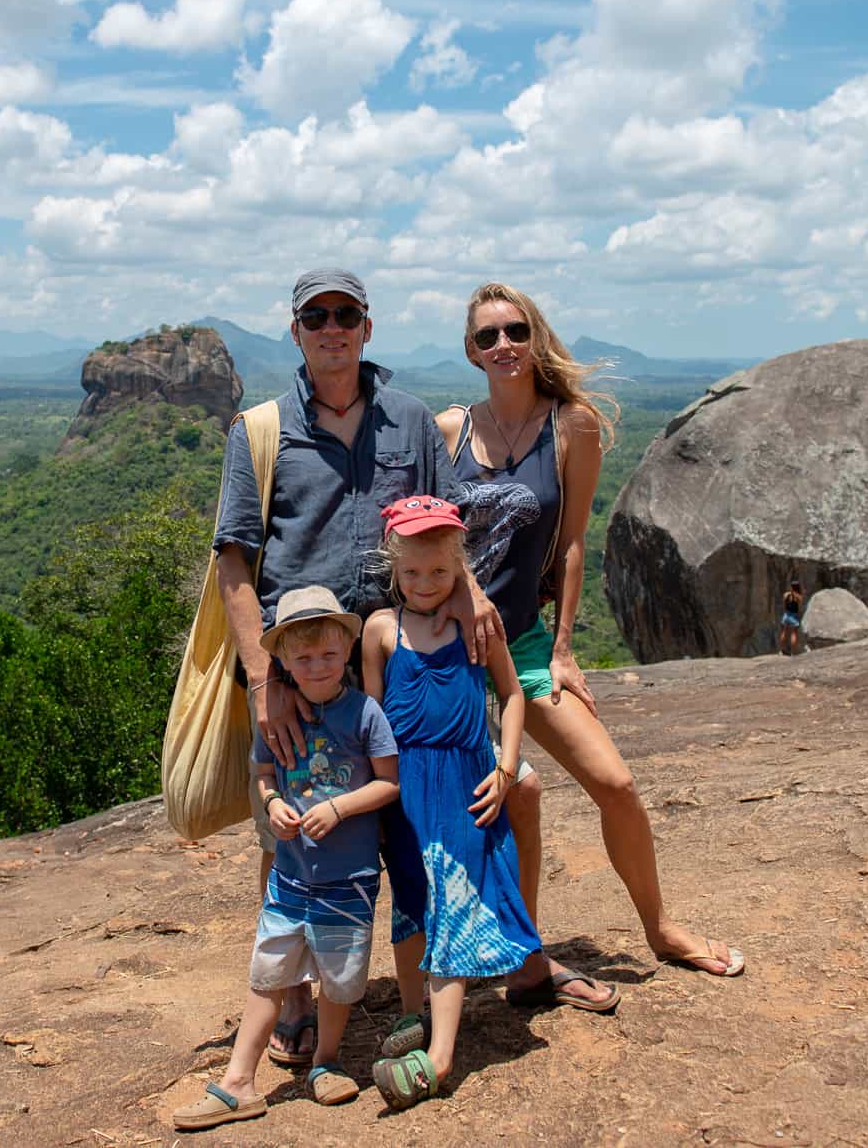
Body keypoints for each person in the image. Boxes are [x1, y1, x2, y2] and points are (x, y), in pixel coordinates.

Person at [211, 268, 501, 1066]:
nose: (332, 327)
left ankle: (422, 979)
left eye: (346, 314)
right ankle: (296, 998)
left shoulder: (410, 420)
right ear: (297, 331)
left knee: (406, 820)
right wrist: (262, 679)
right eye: (317, 316)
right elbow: (234, 560)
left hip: (392, 660)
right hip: (298, 667)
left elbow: (447, 531)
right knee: (291, 831)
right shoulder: (261, 430)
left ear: (367, 327)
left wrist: (472, 597)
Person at [436, 282, 746, 986]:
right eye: (487, 336)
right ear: (471, 351)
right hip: (448, 646)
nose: (503, 345)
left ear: (535, 335)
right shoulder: (451, 429)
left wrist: (565, 648)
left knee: (616, 781)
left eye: (515, 330)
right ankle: (522, 956)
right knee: (514, 795)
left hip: (522, 642)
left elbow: (573, 542)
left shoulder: (569, 425)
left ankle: (660, 929)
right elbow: (421, 531)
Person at [174, 588, 399, 1130]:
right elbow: (263, 773)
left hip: (348, 877)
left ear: (347, 650)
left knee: (339, 977)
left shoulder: (364, 713)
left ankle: (326, 1060)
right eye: (304, 658)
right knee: (268, 974)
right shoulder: (275, 721)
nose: (317, 667)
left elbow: (390, 783)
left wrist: (340, 808)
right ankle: (238, 1082)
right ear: (283, 662)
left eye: (328, 655)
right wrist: (273, 802)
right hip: (290, 875)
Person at [360, 497, 539, 1110]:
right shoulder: (380, 631)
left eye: (439, 571)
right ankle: (415, 1013)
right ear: (393, 566)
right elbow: (372, 722)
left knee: (452, 899)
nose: (425, 583)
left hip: (465, 784)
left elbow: (512, 695)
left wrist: (507, 768)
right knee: (413, 896)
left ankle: (439, 1059)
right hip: (404, 787)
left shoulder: (476, 625)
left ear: (459, 564)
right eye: (412, 572)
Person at [780, 579, 805, 656]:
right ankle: (793, 652)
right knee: (793, 633)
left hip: (786, 615)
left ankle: (782, 650)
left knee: (784, 632)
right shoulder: (799, 597)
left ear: (791, 587)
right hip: (794, 615)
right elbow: (800, 607)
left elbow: (784, 605)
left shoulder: (786, 594)